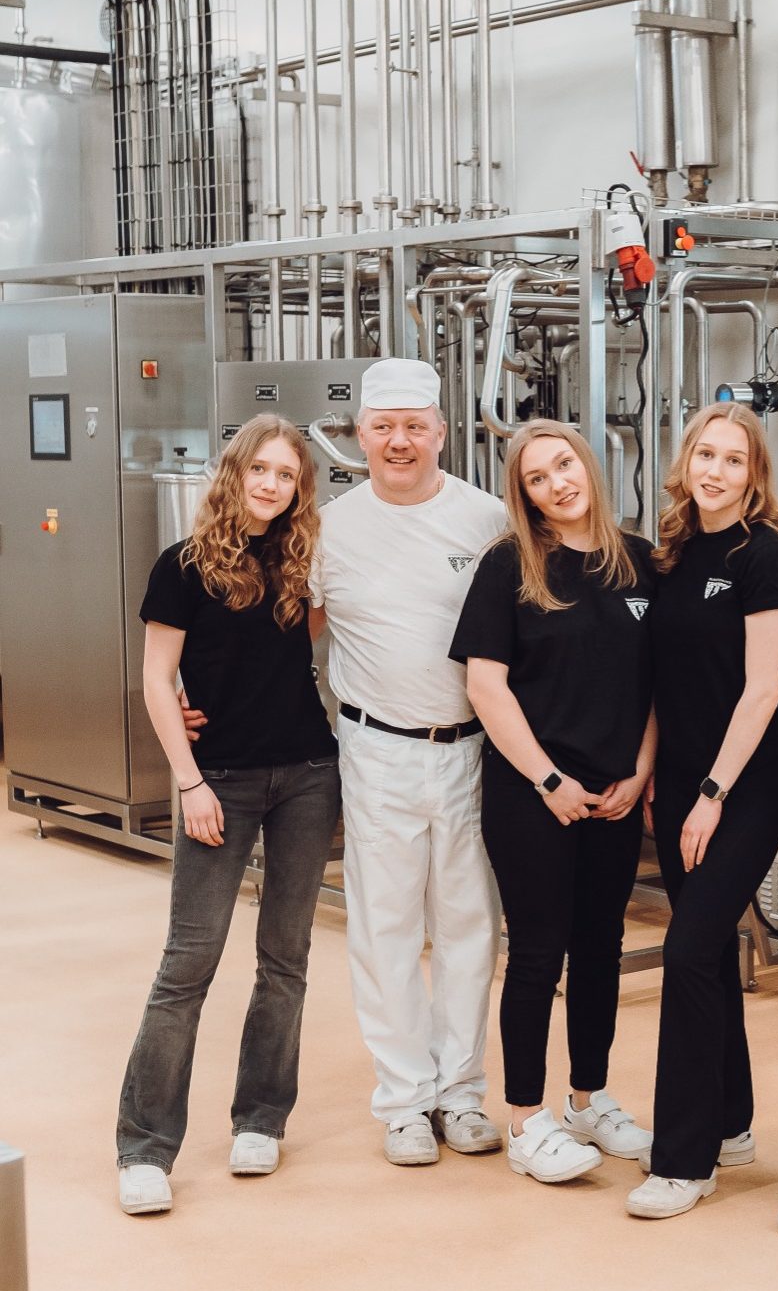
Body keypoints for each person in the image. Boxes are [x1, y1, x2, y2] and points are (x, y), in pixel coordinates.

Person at [117, 414, 341, 1216]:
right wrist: (188, 780)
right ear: (235, 471)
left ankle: (261, 1117)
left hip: (309, 774)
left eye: (288, 476)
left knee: (285, 960)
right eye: (262, 471)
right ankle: (145, 1147)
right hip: (219, 781)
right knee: (188, 963)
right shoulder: (182, 566)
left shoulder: (297, 560)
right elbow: (155, 679)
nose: (273, 486)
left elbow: (310, 644)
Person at [310, 358, 508, 1166]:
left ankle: (460, 1094)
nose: (399, 442)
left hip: (471, 752)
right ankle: (402, 1100)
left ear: (441, 431)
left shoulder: (488, 519)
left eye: (414, 427)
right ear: (361, 435)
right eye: (384, 427)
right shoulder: (329, 527)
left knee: (469, 930)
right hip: (377, 750)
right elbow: (294, 631)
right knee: (384, 929)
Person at [451, 420, 656, 1185]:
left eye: (563, 465)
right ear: (525, 495)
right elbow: (485, 685)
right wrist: (547, 781)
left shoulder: (638, 563)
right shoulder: (509, 566)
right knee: (538, 952)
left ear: (588, 465)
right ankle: (526, 1120)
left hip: (614, 794)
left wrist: (639, 772)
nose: (556, 483)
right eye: (537, 478)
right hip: (531, 795)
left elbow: (652, 686)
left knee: (601, 947)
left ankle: (589, 1098)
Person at [625, 403, 778, 1220]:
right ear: (686, 461)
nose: (717, 470)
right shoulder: (672, 554)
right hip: (686, 783)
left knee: (691, 951)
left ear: (754, 475)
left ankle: (684, 1160)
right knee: (705, 952)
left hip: (745, 786)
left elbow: (765, 688)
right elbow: (661, 683)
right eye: (706, 454)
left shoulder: (764, 558)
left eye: (734, 460)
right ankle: (730, 1123)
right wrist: (657, 773)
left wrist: (711, 794)